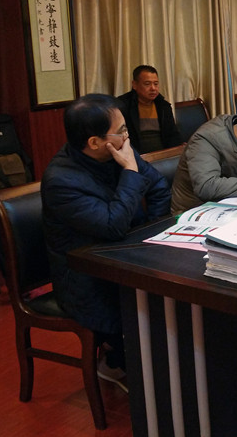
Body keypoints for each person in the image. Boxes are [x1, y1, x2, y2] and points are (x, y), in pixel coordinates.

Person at [41, 94, 171, 385]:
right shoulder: (61, 180)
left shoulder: (117, 149)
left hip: (128, 255)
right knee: (155, 303)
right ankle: (119, 362)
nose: (127, 136)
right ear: (94, 142)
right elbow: (112, 226)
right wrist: (130, 171)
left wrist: (153, 233)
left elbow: (159, 187)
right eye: (121, 130)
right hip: (88, 278)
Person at [117, 65, 182, 154]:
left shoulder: (163, 106)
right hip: (135, 157)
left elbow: (173, 135)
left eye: (156, 84)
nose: (153, 88)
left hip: (163, 156)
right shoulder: (122, 105)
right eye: (147, 84)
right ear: (134, 85)